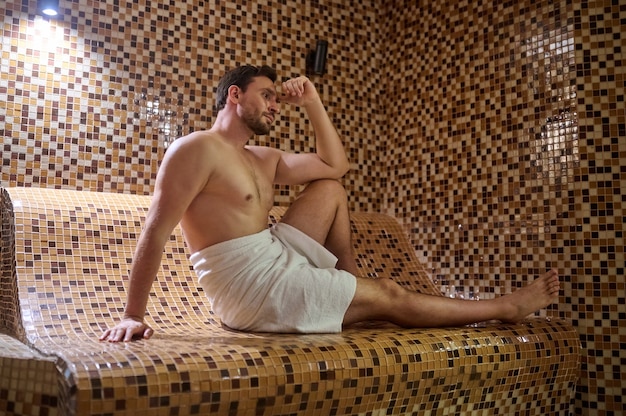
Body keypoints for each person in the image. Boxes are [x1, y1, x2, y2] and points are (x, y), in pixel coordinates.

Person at [100, 65, 560, 342]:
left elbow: (334, 166)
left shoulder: (260, 158)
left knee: (330, 191)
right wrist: (132, 316)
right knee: (390, 295)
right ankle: (504, 307)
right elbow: (155, 232)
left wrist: (314, 102)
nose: (275, 107)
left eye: (278, 102)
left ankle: (346, 285)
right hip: (250, 289)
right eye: (267, 96)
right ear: (235, 95)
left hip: (274, 256)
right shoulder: (195, 149)